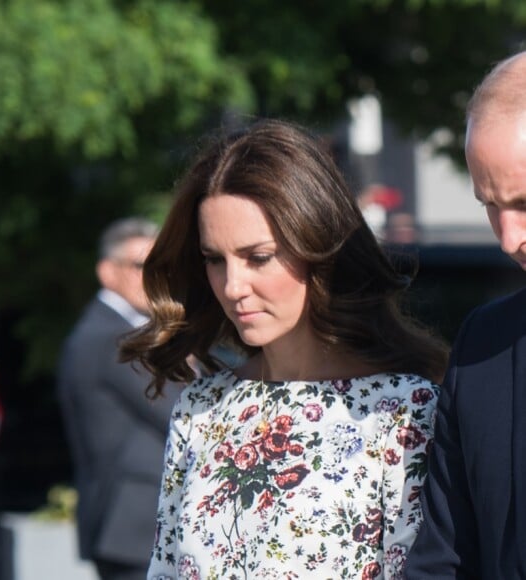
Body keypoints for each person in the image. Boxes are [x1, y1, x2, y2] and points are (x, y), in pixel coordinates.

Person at [119, 119, 449, 578]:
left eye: (258, 257)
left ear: (318, 249)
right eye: (215, 259)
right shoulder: (202, 408)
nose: (233, 286)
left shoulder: (403, 412)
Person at [405, 51, 526, 578]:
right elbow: (444, 556)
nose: (508, 238)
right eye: (489, 204)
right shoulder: (483, 345)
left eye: (524, 203)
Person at [57, 217, 181, 580]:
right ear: (107, 272)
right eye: (142, 266)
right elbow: (181, 412)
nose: (155, 277)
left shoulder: (110, 331)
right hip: (132, 528)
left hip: (132, 527)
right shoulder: (112, 338)